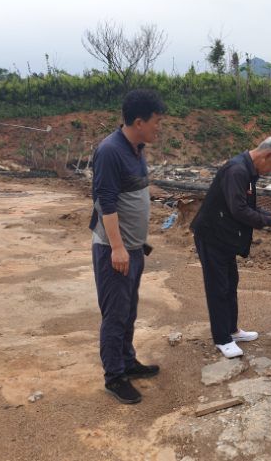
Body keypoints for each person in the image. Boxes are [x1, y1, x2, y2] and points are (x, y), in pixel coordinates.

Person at [89, 89, 165, 404]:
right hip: (114, 250)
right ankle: (114, 376)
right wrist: (118, 248)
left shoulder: (137, 148)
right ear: (138, 121)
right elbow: (105, 202)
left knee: (129, 310)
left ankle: (127, 361)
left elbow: (129, 194)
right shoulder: (110, 151)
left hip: (134, 248)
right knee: (116, 314)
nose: (159, 128)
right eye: (157, 122)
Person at [190, 137, 271, 358]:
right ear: (267, 156)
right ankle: (222, 339)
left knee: (229, 284)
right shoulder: (237, 171)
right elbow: (239, 211)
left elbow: (247, 206)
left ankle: (232, 330)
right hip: (212, 235)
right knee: (218, 287)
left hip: (225, 236)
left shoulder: (247, 170)